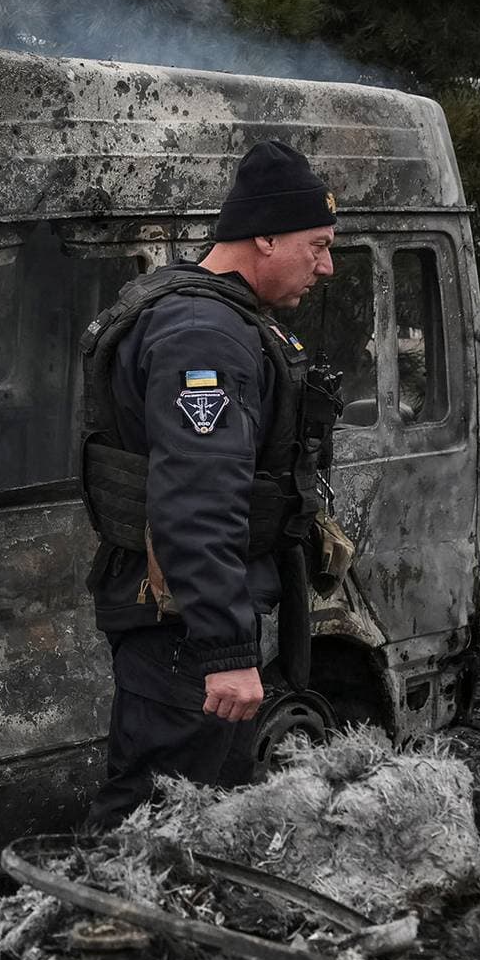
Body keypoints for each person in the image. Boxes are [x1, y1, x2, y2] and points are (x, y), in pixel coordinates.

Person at [78, 140, 338, 828]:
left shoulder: (208, 315)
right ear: (265, 236)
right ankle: (106, 927)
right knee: (157, 813)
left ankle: (156, 925)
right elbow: (197, 497)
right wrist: (224, 649)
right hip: (181, 623)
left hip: (183, 611)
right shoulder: (204, 335)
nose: (326, 265)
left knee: (190, 810)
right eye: (316, 245)